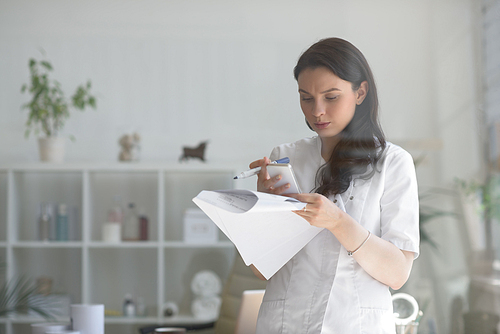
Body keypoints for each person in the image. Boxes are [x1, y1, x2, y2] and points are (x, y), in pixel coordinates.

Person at [248, 37, 419, 334]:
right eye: (306, 97)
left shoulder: (392, 163)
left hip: (355, 325)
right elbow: (261, 270)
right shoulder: (284, 159)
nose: (317, 111)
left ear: (360, 92)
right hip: (285, 324)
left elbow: (397, 273)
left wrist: (338, 222)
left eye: (331, 97)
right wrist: (261, 210)